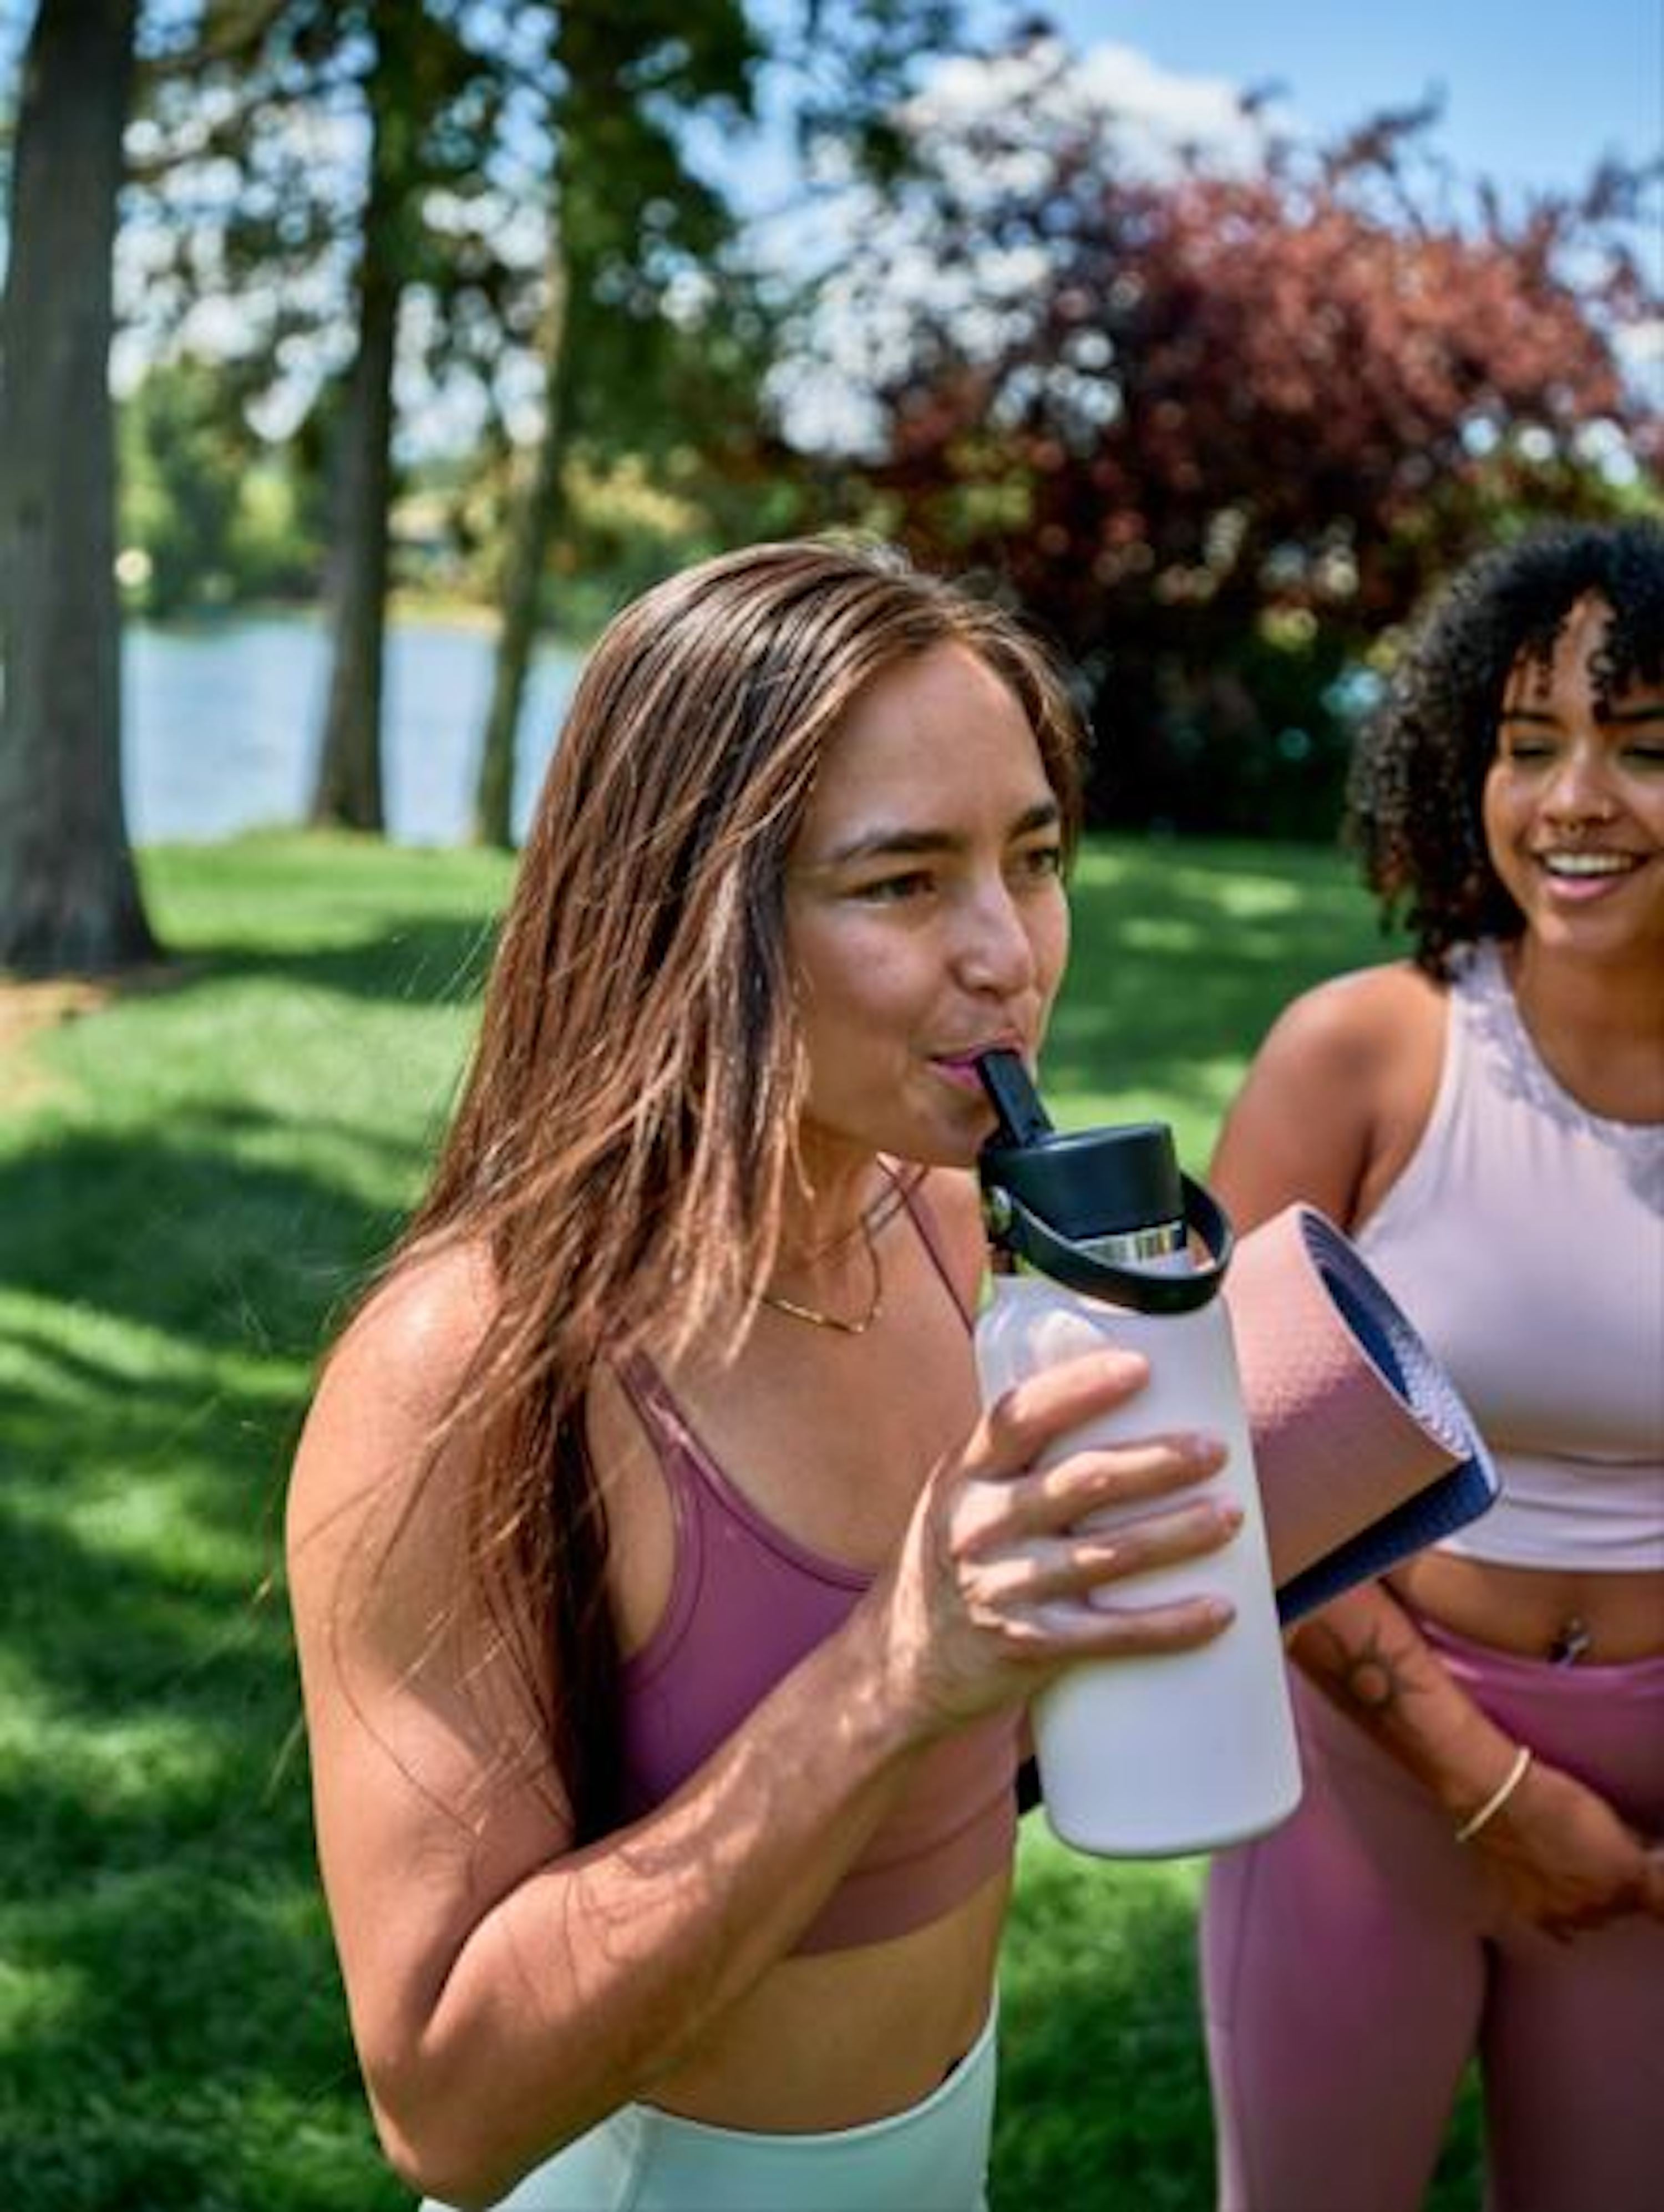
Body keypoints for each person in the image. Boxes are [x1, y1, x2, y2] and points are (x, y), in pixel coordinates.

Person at [286, 537, 1242, 2212]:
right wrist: (897, 1666)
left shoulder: (952, 1236)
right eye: (900, 883)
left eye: (1034, 858)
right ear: (690, 913)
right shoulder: (471, 1367)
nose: (1008, 952)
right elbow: (443, 2103)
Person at [1200, 519, 1664, 2212]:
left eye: (1646, 750)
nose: (1573, 802)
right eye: (1528, 745)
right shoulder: (1366, 1054)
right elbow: (1211, 1460)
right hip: (1363, 1770)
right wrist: (1488, 1785)